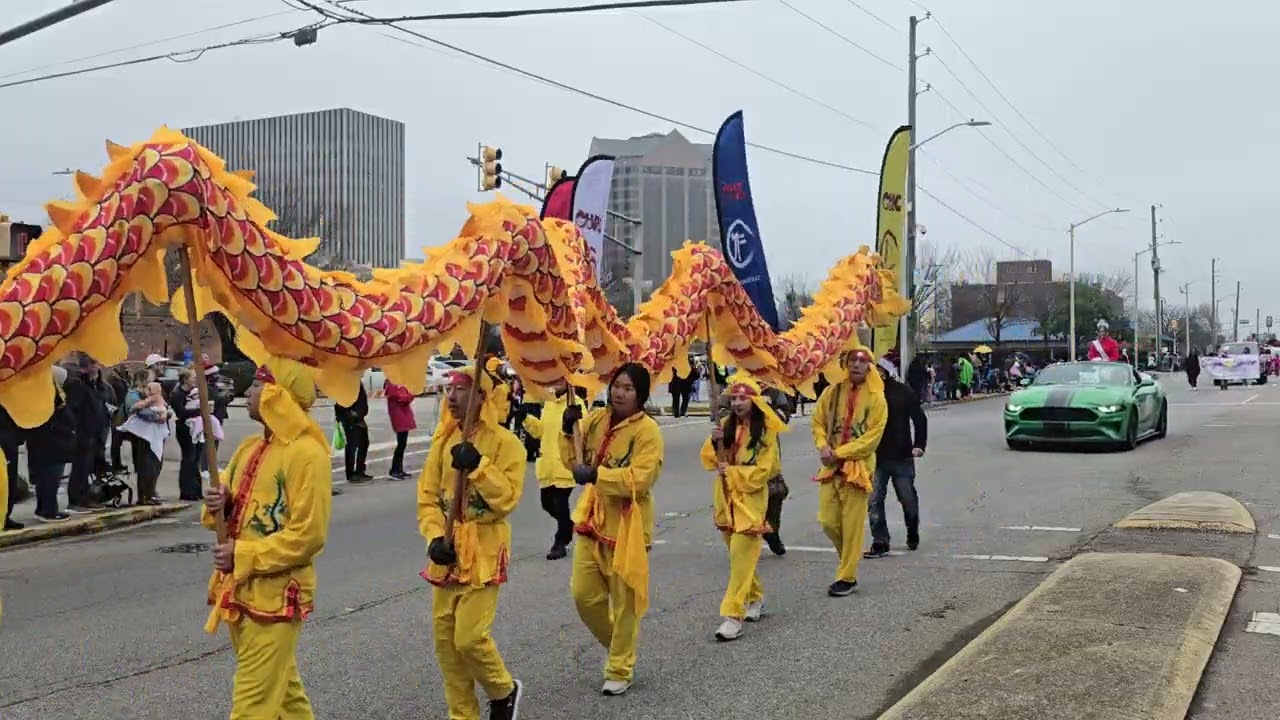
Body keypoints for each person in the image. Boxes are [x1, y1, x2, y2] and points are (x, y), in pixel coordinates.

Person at [202, 357, 332, 719]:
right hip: (242, 590)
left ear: (279, 396)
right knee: (286, 697)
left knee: (252, 705)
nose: (250, 393)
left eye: (258, 386)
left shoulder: (307, 455)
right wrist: (221, 505)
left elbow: (308, 536)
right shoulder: (249, 448)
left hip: (277, 595)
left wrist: (244, 555)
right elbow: (229, 516)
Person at [417, 364, 524, 720]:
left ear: (484, 397)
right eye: (450, 389)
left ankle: (502, 690)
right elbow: (428, 499)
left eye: (463, 389)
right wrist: (435, 537)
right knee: (447, 646)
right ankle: (462, 715)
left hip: (483, 550)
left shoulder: (507, 444)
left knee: (469, 637)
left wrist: (478, 465)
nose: (452, 396)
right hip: (446, 554)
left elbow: (506, 499)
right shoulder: (443, 441)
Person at [560, 363, 663, 696]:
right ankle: (621, 648)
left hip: (627, 529)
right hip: (591, 520)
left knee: (625, 603)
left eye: (629, 388)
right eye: (617, 385)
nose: (620, 392)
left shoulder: (648, 431)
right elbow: (573, 463)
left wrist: (598, 477)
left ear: (641, 395)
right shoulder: (594, 420)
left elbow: (641, 479)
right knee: (583, 595)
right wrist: (567, 432)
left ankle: (620, 666)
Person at [700, 373, 787, 641]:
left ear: (754, 400)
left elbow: (767, 468)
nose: (737, 403)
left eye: (743, 397)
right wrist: (716, 444)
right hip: (726, 499)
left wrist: (734, 473)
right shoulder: (725, 424)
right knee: (740, 557)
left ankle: (732, 615)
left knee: (740, 555)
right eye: (734, 397)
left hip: (750, 501)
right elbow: (708, 459)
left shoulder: (766, 430)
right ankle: (756, 597)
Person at [811, 344, 887, 597]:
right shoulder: (831, 394)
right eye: (852, 360)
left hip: (858, 470)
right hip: (831, 467)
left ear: (870, 366)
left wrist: (840, 453)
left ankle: (847, 576)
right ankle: (849, 558)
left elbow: (872, 439)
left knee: (852, 525)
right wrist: (822, 445)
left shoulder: (877, 399)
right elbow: (818, 421)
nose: (856, 364)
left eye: (862, 360)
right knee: (827, 521)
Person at [865, 358, 928, 559]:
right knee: (874, 500)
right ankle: (880, 541)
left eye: (877, 370)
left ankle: (912, 530)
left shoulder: (902, 391)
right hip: (875, 457)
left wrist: (919, 445)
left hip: (901, 456)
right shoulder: (866, 394)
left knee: (907, 499)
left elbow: (919, 419)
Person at [524, 380, 584, 560]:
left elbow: (582, 431)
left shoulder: (576, 404)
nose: (556, 385)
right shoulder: (549, 403)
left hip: (565, 464)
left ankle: (560, 542)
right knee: (547, 504)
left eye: (560, 381)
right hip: (548, 465)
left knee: (560, 503)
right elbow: (541, 431)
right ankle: (568, 526)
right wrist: (526, 420)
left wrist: (571, 423)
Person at [63, 353, 113, 512]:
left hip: (97, 431)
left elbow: (103, 402)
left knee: (90, 466)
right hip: (83, 432)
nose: (98, 368)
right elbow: (73, 409)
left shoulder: (97, 386)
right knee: (80, 467)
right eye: (95, 365)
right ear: (87, 367)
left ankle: (87, 497)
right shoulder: (78, 385)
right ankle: (76, 500)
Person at [170, 369, 205, 502]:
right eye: (193, 377)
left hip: (197, 429)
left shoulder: (194, 392)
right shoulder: (177, 394)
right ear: (185, 379)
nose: (195, 379)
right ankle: (187, 491)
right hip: (185, 430)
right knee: (188, 459)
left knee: (196, 459)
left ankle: (196, 490)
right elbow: (181, 413)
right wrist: (200, 411)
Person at [334, 384, 371, 483]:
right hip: (351, 419)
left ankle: (360, 470)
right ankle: (351, 474)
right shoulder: (347, 382)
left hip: (358, 418)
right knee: (352, 445)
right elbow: (341, 402)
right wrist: (351, 414)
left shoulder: (355, 381)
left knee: (364, 443)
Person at [383, 379, 416, 479]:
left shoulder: (397, 384)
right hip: (399, 417)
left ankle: (398, 469)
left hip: (402, 416)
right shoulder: (393, 385)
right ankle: (395, 470)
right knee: (401, 445)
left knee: (402, 445)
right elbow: (404, 398)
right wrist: (412, 394)